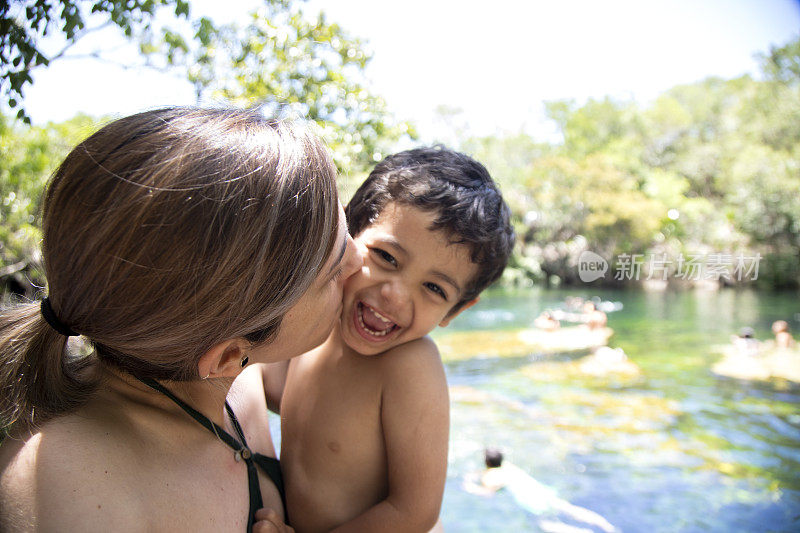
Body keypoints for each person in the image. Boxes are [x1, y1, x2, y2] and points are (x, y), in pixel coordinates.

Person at [0, 107, 361, 532]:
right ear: (228, 355)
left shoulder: (234, 378)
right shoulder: (75, 499)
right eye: (335, 270)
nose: (361, 260)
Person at [271, 147, 515, 532]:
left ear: (456, 311)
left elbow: (413, 512)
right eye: (386, 256)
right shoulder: (317, 323)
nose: (395, 296)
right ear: (347, 233)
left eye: (434, 288)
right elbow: (278, 394)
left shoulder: (409, 367)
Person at [464, 448, 617, 533]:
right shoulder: (508, 466)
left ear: (486, 462)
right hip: (544, 493)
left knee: (544, 525)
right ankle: (606, 526)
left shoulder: (490, 476)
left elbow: (488, 493)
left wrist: (470, 487)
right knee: (570, 509)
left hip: (531, 502)